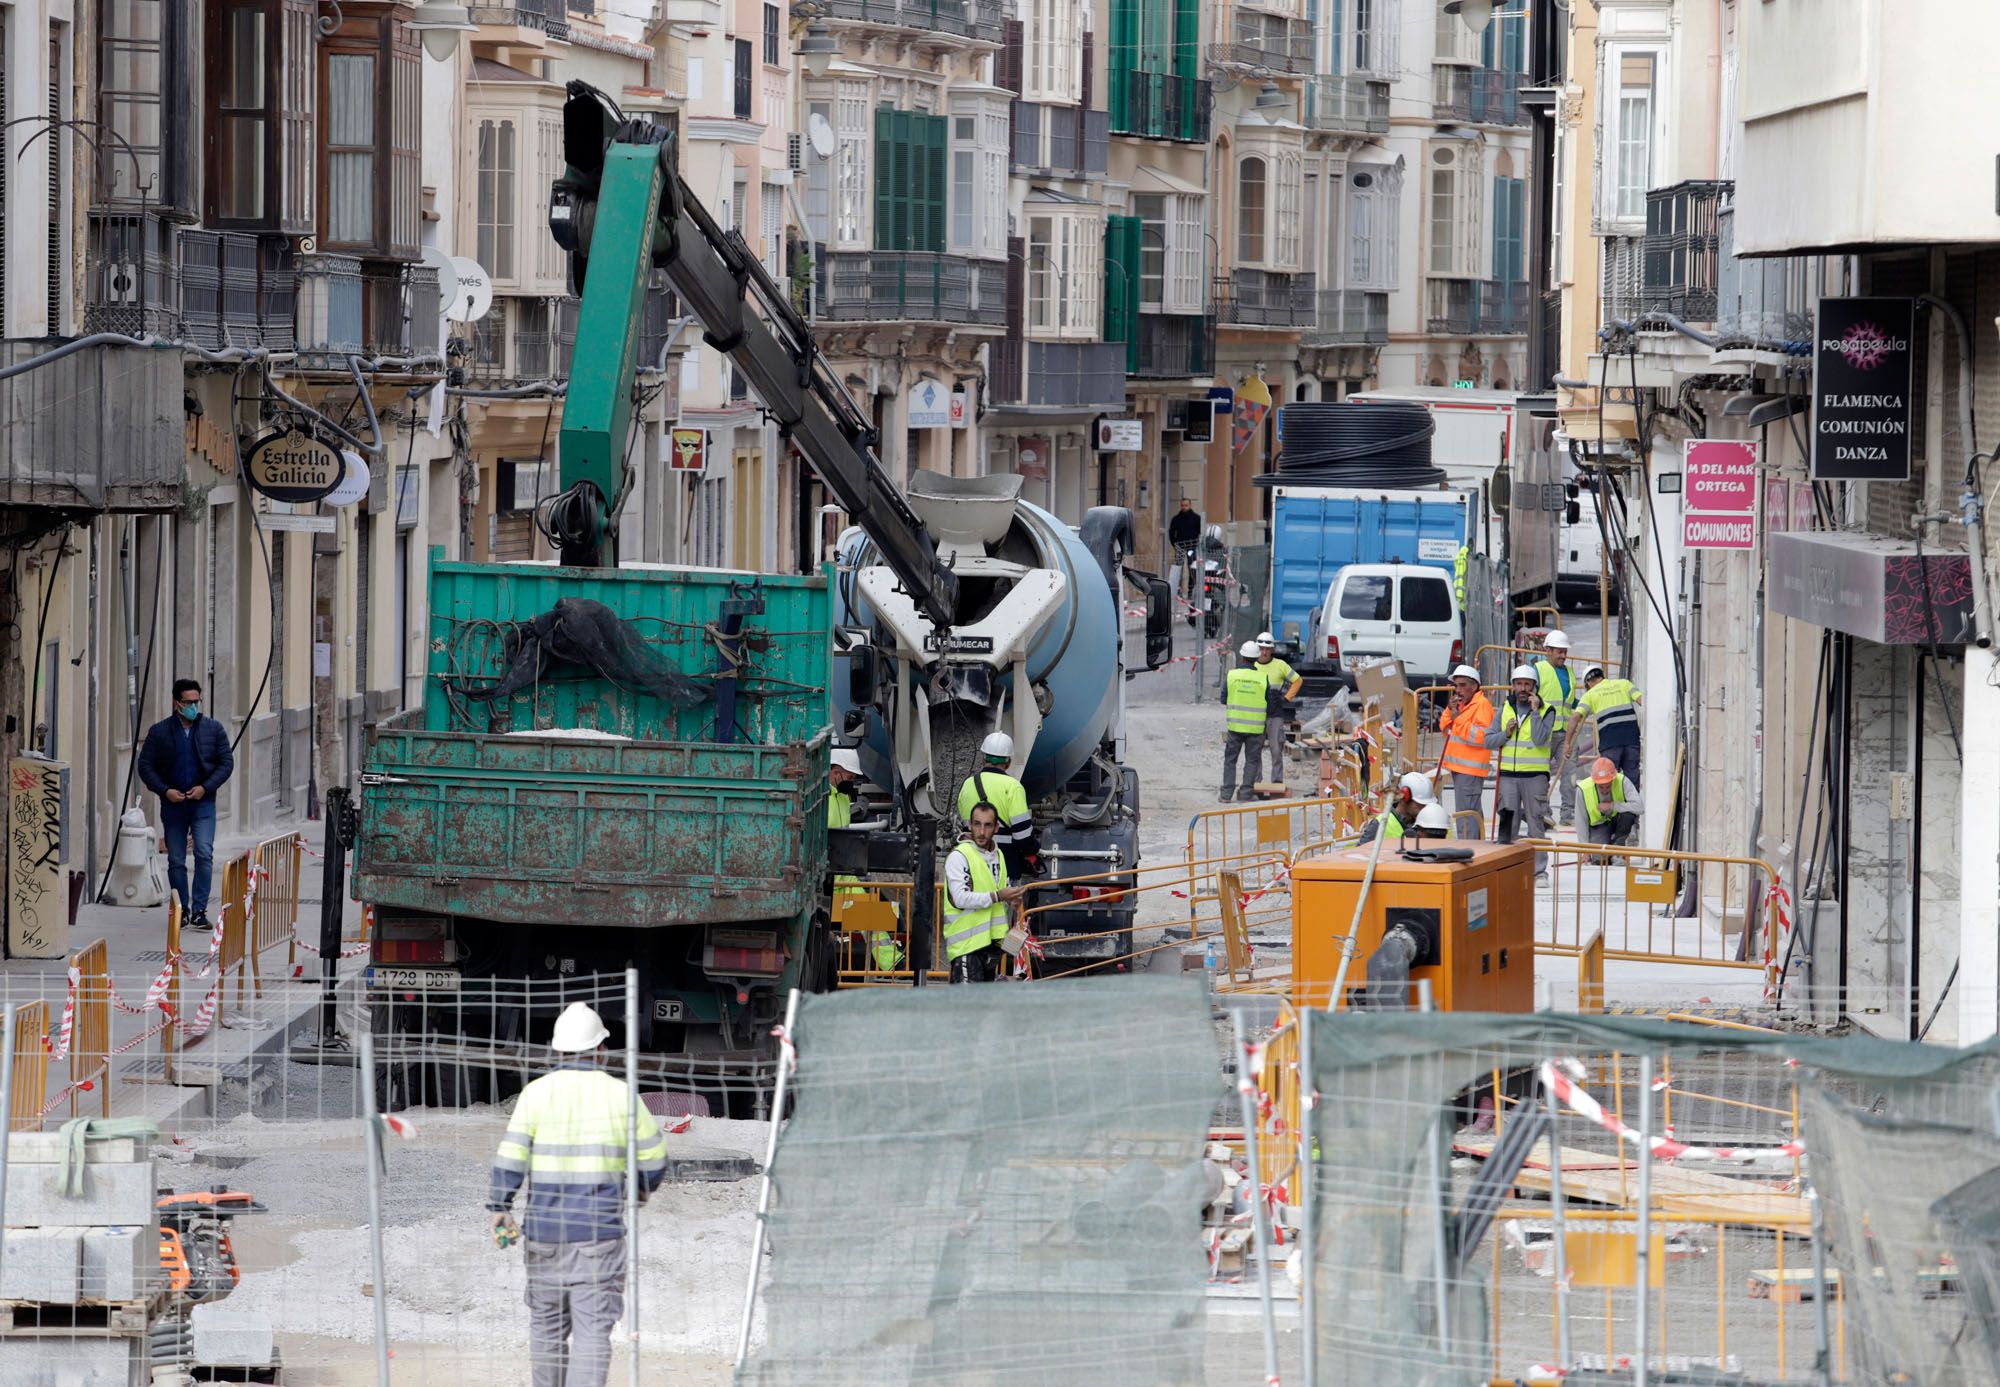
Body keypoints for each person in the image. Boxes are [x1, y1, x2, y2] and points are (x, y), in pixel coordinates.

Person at [488, 1002, 669, 1387]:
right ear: (601, 1049)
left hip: (543, 1236)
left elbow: (511, 1157)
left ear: (557, 1051)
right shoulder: (622, 1096)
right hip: (599, 1237)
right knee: (591, 1333)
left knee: (547, 1331)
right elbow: (654, 1161)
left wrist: (500, 1206)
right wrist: (638, 1191)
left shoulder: (535, 1094)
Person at [137, 679, 235, 931]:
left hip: (203, 803)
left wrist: (205, 787)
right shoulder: (159, 732)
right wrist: (165, 790)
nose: (193, 706)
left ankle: (200, 911)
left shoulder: (213, 729)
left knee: (203, 853)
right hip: (173, 805)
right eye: (188, 702)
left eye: (196, 701)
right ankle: (181, 910)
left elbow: (226, 762)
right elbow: (145, 766)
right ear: (176, 703)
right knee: (177, 859)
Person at [828, 748, 899, 972]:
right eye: (849, 778)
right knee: (870, 917)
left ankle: (893, 962)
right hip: (830, 878)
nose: (852, 783)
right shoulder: (823, 798)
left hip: (843, 875)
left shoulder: (839, 798)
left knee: (874, 916)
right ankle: (891, 963)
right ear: (835, 772)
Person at [943, 802, 1027, 983]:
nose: (981, 831)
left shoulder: (999, 856)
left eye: (987, 825)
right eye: (977, 824)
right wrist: (999, 896)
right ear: (969, 825)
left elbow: (999, 893)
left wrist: (1011, 901)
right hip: (966, 947)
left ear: (996, 828)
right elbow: (960, 898)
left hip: (990, 946)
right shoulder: (960, 856)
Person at [1492, 666, 1556, 872]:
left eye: (1527, 684)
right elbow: (1488, 740)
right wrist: (1505, 733)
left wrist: (1535, 712)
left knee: (1535, 823)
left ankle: (1538, 871)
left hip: (1535, 776)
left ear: (1534, 687)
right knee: (1507, 823)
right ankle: (1507, 869)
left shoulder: (1547, 710)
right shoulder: (1504, 709)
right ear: (1512, 686)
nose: (1522, 688)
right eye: (1519, 683)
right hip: (1508, 776)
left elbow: (1539, 739)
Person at [955, 732, 1038, 879]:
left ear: (983, 759)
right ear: (1008, 762)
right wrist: (1034, 849)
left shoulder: (967, 784)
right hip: (1004, 867)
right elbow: (1023, 836)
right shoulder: (1013, 787)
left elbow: (964, 824)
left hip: (971, 865)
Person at [1533, 631, 1583, 826]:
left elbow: (1568, 701)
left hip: (1567, 733)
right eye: (1559, 652)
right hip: (1545, 732)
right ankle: (1543, 812)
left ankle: (1568, 814)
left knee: (1569, 775)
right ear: (1548, 651)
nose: (1563, 655)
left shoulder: (1569, 673)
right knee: (1541, 775)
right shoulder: (1538, 670)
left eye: (1564, 652)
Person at [1436, 664, 1495, 823]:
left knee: (1467, 816)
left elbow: (1482, 737)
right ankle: (1475, 844)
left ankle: (1469, 845)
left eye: (1463, 685)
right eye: (1456, 685)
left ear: (1474, 686)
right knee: (1470, 813)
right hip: (1461, 769)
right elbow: (1445, 727)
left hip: (1470, 770)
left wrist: (1458, 718)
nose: (1458, 690)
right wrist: (1450, 709)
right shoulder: (1463, 704)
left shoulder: (1482, 705)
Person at [1566, 667, 1644, 785]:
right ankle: (1633, 803)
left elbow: (1575, 718)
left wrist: (1567, 743)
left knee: (1608, 781)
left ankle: (1612, 804)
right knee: (1632, 782)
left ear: (1588, 682)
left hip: (1610, 744)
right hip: (1631, 741)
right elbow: (1643, 700)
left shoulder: (1590, 695)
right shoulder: (1624, 683)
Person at [1220, 641, 1269, 803]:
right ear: (1256, 658)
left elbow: (1223, 699)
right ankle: (1246, 794)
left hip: (1235, 727)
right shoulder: (1263, 678)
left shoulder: (1232, 675)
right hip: (1255, 729)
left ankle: (1226, 795)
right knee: (1252, 761)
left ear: (1242, 656)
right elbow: (1268, 701)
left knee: (1230, 760)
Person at [1254, 632, 1303, 774]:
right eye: (1261, 648)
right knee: (1255, 750)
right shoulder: (1252, 666)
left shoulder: (1280, 665)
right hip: (1256, 714)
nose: (1264, 652)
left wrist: (1287, 698)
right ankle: (1255, 781)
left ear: (1272, 650)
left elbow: (1298, 680)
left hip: (1275, 713)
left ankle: (1277, 780)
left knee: (1276, 749)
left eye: (1267, 649)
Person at [1577, 756, 1640, 859]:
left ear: (1613, 778)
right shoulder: (1583, 789)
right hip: (1599, 825)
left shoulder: (1622, 781)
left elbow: (1639, 807)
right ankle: (1611, 851)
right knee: (1599, 859)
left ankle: (1618, 848)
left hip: (1619, 821)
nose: (1605, 790)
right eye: (1601, 787)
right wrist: (1585, 850)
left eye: (1608, 785)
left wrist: (1612, 805)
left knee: (1628, 815)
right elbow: (1580, 820)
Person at [1359, 771, 1435, 845]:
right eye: (1419, 804)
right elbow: (1360, 854)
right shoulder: (1380, 824)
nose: (1424, 808)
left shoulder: (1427, 824)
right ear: (1405, 797)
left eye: (1426, 804)